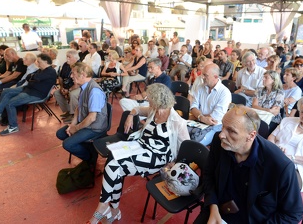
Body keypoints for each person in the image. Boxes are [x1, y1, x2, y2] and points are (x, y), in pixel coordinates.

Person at [88, 83, 190, 224]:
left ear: (158, 100)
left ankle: (104, 207)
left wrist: (175, 163)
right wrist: (130, 115)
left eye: (149, 98)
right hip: (140, 146)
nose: (147, 99)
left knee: (115, 165)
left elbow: (186, 148)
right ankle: (113, 209)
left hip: (158, 157)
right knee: (113, 160)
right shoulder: (153, 111)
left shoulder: (177, 122)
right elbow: (136, 109)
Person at [194, 104, 303, 224]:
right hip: (218, 208)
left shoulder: (280, 166)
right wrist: (213, 207)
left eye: (231, 131)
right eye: (223, 126)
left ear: (251, 135)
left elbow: (293, 214)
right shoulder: (219, 142)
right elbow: (208, 175)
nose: (221, 134)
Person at [0, 54, 57, 136]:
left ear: (45, 61)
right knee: (6, 92)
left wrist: (32, 77)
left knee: (10, 104)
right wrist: (32, 77)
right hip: (28, 89)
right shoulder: (42, 70)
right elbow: (29, 77)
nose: (37, 63)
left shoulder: (50, 71)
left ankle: (13, 127)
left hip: (35, 94)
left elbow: (34, 78)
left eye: (39, 61)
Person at [56, 62, 108, 167]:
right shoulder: (84, 87)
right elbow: (78, 108)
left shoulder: (94, 91)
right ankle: (88, 150)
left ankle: (90, 159)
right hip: (85, 123)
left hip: (94, 127)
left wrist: (76, 129)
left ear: (83, 74)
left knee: (68, 144)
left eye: (73, 73)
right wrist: (72, 124)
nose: (71, 76)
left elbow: (92, 118)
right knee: (60, 133)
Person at [189, 63, 231, 145]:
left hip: (215, 126)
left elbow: (214, 118)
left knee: (195, 144)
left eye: (205, 75)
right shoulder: (200, 87)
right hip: (198, 121)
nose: (202, 77)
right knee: (179, 135)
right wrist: (202, 118)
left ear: (215, 76)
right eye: (202, 74)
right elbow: (193, 106)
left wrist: (197, 115)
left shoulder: (225, 93)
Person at [54, 50, 81, 123]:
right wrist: (62, 87)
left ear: (75, 58)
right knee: (57, 93)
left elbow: (78, 82)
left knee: (73, 94)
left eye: (69, 57)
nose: (67, 58)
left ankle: (74, 115)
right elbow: (60, 77)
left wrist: (69, 90)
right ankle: (68, 111)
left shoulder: (79, 66)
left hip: (78, 86)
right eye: (67, 57)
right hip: (67, 86)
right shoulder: (66, 64)